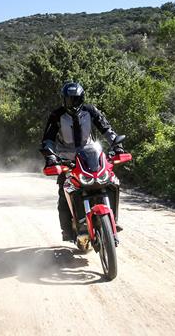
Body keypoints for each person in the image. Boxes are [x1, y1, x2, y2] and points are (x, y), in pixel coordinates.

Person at [40, 81, 126, 241]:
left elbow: (107, 128)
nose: (71, 103)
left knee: (111, 182)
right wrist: (51, 156)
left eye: (75, 100)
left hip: (90, 157)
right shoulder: (56, 115)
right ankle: (67, 231)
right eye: (68, 100)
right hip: (67, 161)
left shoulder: (90, 111)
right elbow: (48, 139)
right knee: (64, 194)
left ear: (81, 99)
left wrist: (116, 144)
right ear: (63, 100)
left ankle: (112, 219)